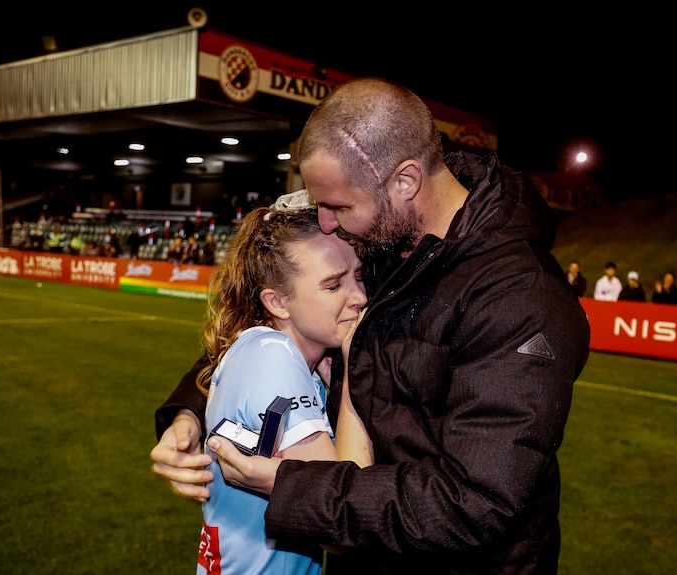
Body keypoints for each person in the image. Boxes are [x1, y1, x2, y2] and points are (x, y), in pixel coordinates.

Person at [151, 77, 591, 574]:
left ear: (405, 181)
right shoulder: (381, 232)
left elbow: (473, 502)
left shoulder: (520, 298)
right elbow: (269, 333)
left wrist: (291, 485)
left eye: (339, 206)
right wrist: (188, 413)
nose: (328, 222)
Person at [191, 205, 368, 574]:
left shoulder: (277, 355)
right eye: (333, 285)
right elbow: (344, 528)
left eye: (359, 276)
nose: (359, 297)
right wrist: (354, 375)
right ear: (277, 302)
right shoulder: (274, 355)